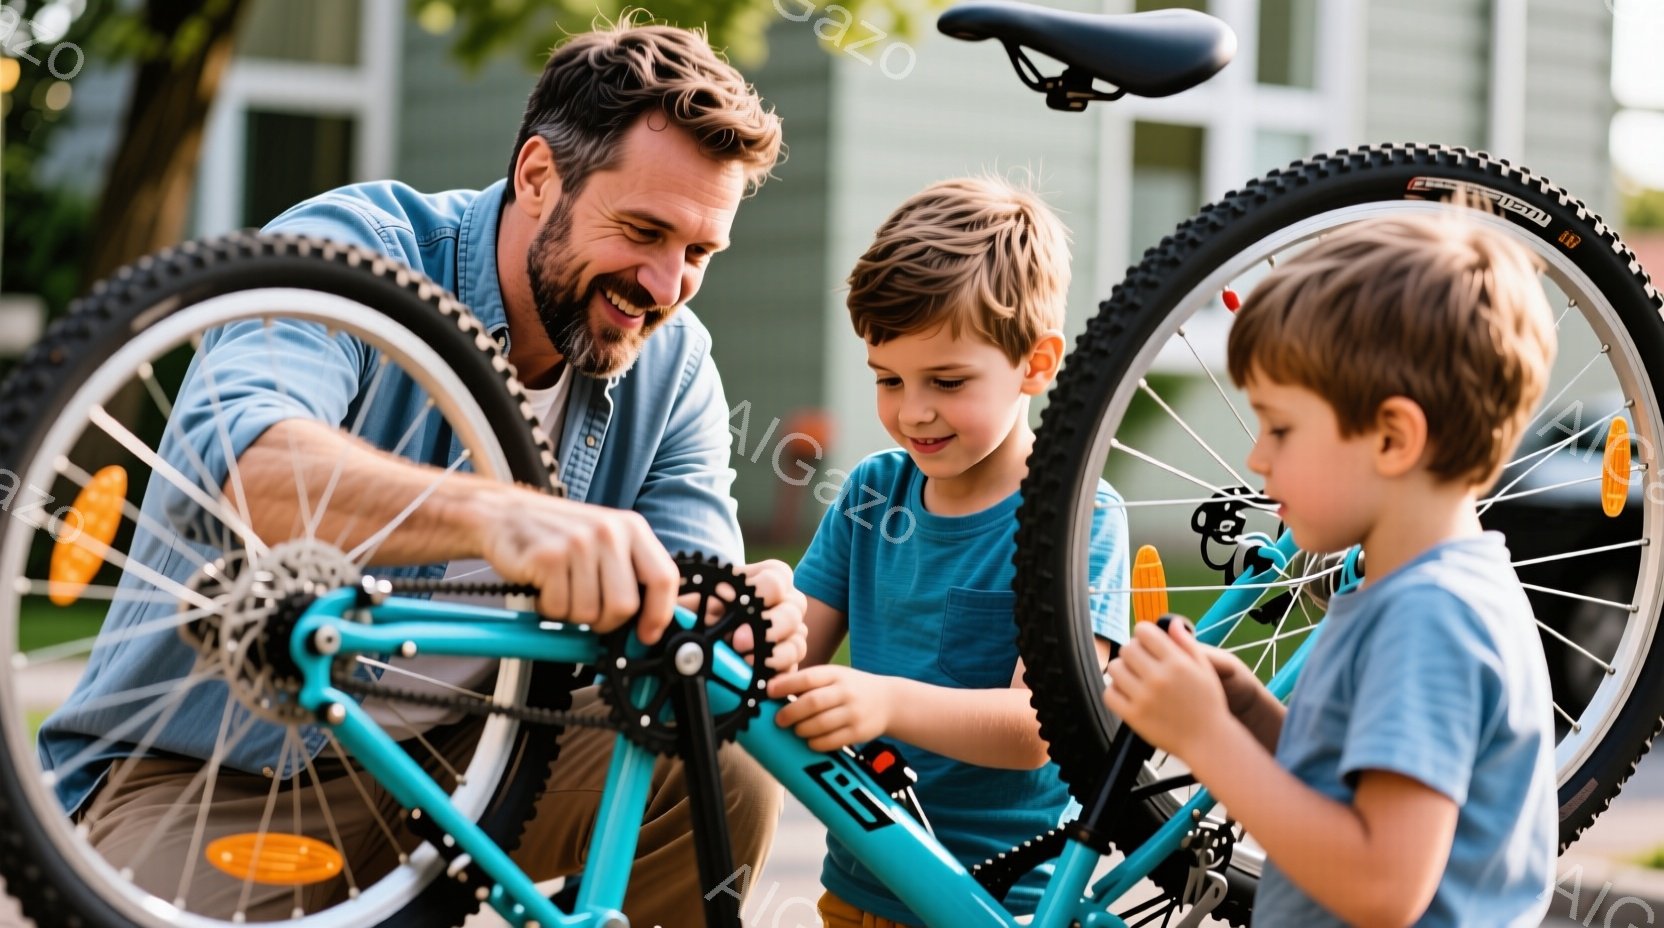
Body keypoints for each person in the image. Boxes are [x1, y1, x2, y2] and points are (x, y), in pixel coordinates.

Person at [38, 21, 810, 924]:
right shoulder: (355, 250)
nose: (666, 283)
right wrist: (501, 518)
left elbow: (677, 627)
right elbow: (240, 465)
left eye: (700, 254)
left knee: (717, 759)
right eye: (643, 230)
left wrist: (736, 619)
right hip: (211, 771)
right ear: (536, 176)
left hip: (460, 775)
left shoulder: (672, 363)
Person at [1103, 211, 1559, 926]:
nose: (1257, 458)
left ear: (1392, 437)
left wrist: (1204, 739)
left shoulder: (1430, 617)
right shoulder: (1423, 590)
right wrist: (1249, 715)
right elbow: (1357, 789)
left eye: (1280, 428)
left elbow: (1382, 885)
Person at [765, 176, 1131, 927]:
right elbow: (790, 649)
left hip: (1000, 903)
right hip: (861, 882)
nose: (912, 411)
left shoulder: (1073, 518)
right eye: (888, 380)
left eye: (947, 380)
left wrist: (886, 701)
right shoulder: (871, 493)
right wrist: (752, 615)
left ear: (1035, 365)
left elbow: (1039, 730)